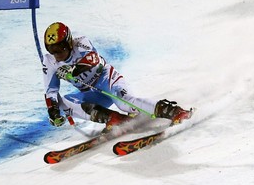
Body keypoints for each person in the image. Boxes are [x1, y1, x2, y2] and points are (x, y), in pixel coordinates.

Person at [42, 22, 191, 131]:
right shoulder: (50, 61)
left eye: (59, 48)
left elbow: (92, 59)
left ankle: (174, 111)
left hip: (107, 80)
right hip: (91, 93)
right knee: (64, 103)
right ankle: (113, 118)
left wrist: (72, 71)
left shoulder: (81, 42)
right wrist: (53, 111)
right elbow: (51, 91)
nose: (57, 54)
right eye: (52, 50)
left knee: (124, 103)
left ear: (68, 42)